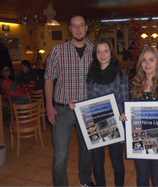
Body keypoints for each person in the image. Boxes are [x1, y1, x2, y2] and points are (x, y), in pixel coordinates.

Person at [44, 14, 95, 187]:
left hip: (86, 110)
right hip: (63, 110)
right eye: (74, 26)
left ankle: (85, 181)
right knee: (60, 156)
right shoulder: (58, 50)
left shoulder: (95, 52)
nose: (78, 29)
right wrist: (49, 106)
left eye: (81, 25)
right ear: (70, 29)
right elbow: (49, 78)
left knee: (87, 150)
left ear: (86, 28)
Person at [70, 38, 128, 186]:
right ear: (95, 54)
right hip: (96, 124)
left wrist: (124, 127)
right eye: (99, 52)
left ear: (111, 53)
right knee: (97, 163)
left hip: (115, 124)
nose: (102, 55)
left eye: (106, 51)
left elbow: (124, 100)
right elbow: (88, 100)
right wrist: (78, 106)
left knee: (117, 162)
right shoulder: (91, 74)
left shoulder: (120, 74)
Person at [120, 46, 158, 186]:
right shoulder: (135, 83)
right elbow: (132, 112)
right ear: (140, 63)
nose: (147, 64)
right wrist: (125, 117)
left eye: (151, 60)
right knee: (142, 176)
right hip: (140, 138)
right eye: (144, 60)